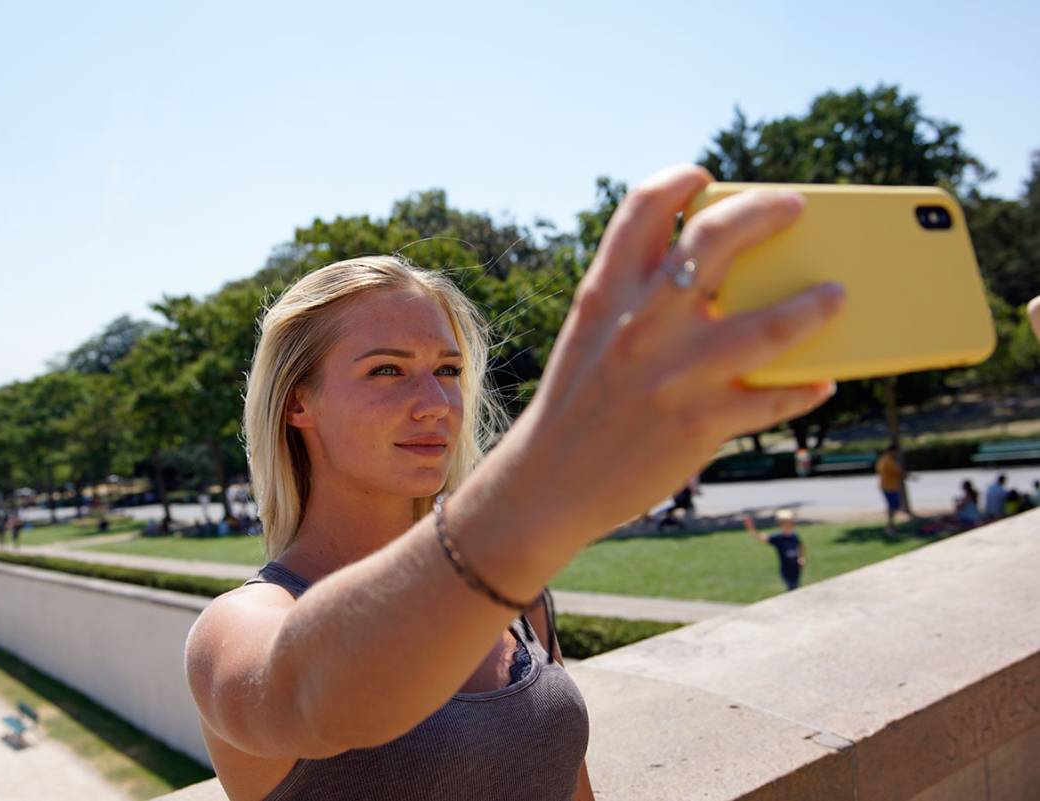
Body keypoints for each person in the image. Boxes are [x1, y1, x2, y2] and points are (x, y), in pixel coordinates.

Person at [183, 164, 844, 801]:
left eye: (446, 369)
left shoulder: (512, 594)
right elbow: (316, 692)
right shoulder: (237, 628)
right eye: (387, 370)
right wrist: (546, 473)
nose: (437, 403)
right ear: (298, 403)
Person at [744, 510, 807, 591]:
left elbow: (801, 546)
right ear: (780, 525)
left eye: (790, 523)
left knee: (796, 586)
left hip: (796, 567)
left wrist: (801, 558)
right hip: (786, 569)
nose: (789, 525)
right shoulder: (778, 538)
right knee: (792, 587)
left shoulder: (794, 536)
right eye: (785, 523)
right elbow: (763, 537)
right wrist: (752, 529)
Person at [875, 444, 907, 534]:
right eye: (896, 452)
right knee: (892, 507)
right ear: (892, 451)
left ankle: (891, 526)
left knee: (893, 506)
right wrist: (902, 474)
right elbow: (897, 472)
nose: (896, 454)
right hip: (888, 486)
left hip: (890, 485)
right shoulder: (888, 460)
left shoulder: (884, 459)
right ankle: (890, 527)